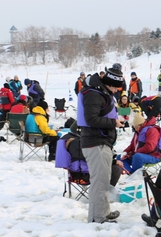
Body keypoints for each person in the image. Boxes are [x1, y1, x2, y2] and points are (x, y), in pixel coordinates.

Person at [77, 63, 124, 223]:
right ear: (110, 84)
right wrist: (114, 123)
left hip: (102, 141)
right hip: (95, 142)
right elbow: (91, 119)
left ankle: (102, 212)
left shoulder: (100, 91)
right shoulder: (94, 94)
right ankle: (98, 217)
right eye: (117, 87)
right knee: (100, 182)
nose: (118, 91)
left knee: (104, 180)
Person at [57, 121, 122, 187]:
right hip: (86, 174)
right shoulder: (79, 143)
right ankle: (106, 192)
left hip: (75, 172)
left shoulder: (67, 139)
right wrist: (114, 162)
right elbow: (96, 157)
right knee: (116, 169)